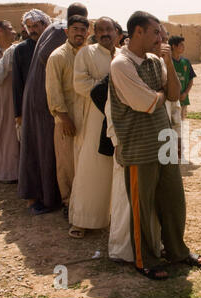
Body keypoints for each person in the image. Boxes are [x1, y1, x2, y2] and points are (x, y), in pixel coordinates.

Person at [109, 11, 201, 279]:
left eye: (162, 33)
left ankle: (177, 251)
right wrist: (160, 95)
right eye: (156, 32)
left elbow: (173, 95)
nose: (161, 38)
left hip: (163, 143)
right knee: (142, 207)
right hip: (139, 148)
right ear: (138, 32)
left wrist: (167, 62)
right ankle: (145, 260)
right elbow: (147, 103)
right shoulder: (121, 65)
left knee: (174, 201)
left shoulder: (155, 60)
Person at [18, 4, 88, 215]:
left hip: (40, 95)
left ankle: (47, 197)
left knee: (44, 148)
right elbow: (51, 58)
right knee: (47, 149)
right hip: (45, 98)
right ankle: (44, 199)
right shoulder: (60, 31)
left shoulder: (57, 27)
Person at [69, 17, 119, 239]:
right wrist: (108, 90)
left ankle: (108, 218)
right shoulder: (86, 53)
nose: (105, 33)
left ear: (116, 32)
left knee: (114, 170)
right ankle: (81, 220)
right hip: (96, 118)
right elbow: (79, 83)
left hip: (119, 119)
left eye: (109, 29)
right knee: (91, 169)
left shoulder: (123, 55)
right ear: (95, 33)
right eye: (100, 30)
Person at [45, 15, 89, 217]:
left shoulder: (88, 53)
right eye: (75, 29)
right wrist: (63, 118)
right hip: (66, 119)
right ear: (66, 31)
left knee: (84, 164)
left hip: (86, 118)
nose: (79, 33)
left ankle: (83, 204)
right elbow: (54, 91)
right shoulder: (58, 56)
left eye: (82, 29)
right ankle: (68, 204)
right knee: (67, 164)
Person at [12, 9, 50, 132]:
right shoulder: (21, 49)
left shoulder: (53, 45)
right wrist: (18, 113)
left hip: (50, 104)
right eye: (29, 27)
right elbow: (17, 82)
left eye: (35, 26)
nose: (32, 30)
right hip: (30, 105)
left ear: (44, 25)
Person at [0, 20, 19, 184]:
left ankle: (10, 172)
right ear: (0, 31)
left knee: (10, 135)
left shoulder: (16, 50)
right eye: (10, 29)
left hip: (11, 100)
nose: (14, 32)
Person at [169, 35, 196, 120]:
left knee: (181, 123)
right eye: (181, 45)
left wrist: (185, 93)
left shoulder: (186, 62)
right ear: (173, 46)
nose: (183, 47)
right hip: (170, 100)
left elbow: (191, 80)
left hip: (183, 100)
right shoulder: (167, 62)